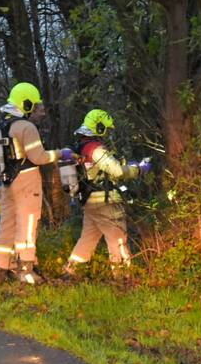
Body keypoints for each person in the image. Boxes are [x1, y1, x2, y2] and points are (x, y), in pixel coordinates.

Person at [0, 82, 72, 285]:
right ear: (26, 105)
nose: (41, 112)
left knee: (7, 224)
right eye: (36, 106)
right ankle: (25, 270)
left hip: (6, 181)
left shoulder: (0, 126)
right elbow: (39, 157)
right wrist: (61, 153)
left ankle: (0, 270)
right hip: (26, 181)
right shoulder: (26, 127)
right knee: (28, 223)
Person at [64, 109, 151, 275]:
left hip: (89, 202)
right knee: (118, 239)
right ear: (99, 128)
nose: (108, 134)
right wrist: (139, 170)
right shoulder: (96, 149)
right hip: (106, 202)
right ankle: (124, 277)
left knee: (87, 239)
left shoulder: (80, 147)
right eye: (106, 129)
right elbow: (117, 171)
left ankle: (71, 272)